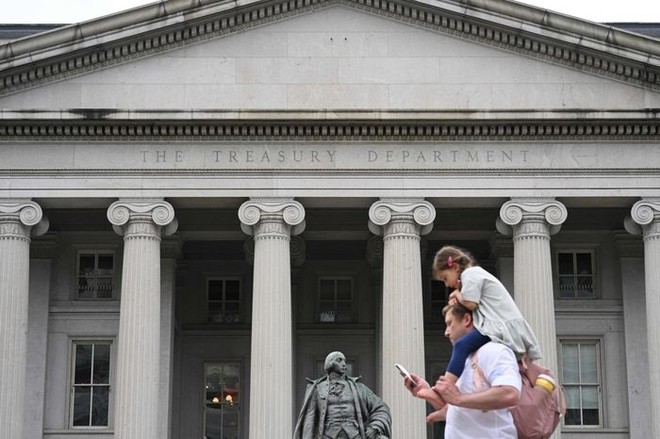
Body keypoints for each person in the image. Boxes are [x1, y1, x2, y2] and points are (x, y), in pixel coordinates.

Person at [404, 304, 522, 437]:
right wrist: (426, 392)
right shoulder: (464, 361)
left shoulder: (494, 351)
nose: (446, 332)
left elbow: (509, 394)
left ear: (466, 319)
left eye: (450, 324)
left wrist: (459, 398)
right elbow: (460, 408)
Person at [433, 245, 541, 385]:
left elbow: (471, 303)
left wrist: (457, 295)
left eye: (445, 278)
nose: (447, 284)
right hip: (496, 324)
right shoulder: (473, 275)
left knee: (461, 346)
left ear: (454, 267)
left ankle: (446, 384)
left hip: (498, 327)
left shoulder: (470, 273)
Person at [293, 351, 391, 439]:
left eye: (344, 361)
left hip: (355, 435)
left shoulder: (359, 388)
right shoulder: (317, 388)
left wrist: (374, 427)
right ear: (330, 364)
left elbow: (381, 408)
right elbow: (310, 419)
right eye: (339, 360)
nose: (344, 364)